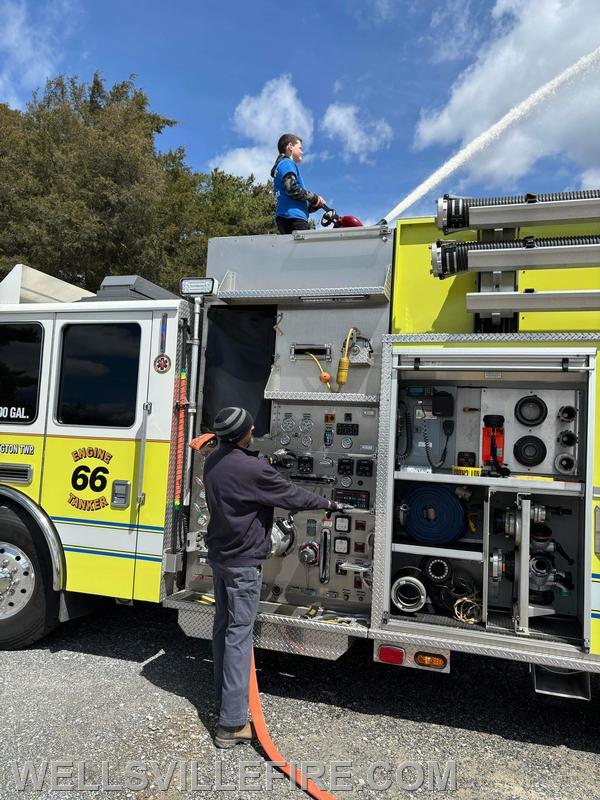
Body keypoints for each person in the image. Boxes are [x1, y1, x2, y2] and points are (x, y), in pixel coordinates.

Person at [203, 406, 344, 748]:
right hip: (243, 564)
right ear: (244, 434)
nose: (254, 427)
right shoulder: (252, 469)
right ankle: (232, 723)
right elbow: (291, 494)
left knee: (223, 628)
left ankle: (224, 698)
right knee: (240, 636)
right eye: (251, 425)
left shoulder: (212, 461)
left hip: (220, 557)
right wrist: (330, 505)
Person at [270, 133, 326, 234]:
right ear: (290, 147)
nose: (302, 152)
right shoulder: (287, 163)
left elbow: (297, 201)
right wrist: (314, 197)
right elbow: (291, 188)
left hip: (288, 216)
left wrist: (316, 205)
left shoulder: (281, 165)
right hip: (294, 218)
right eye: (300, 148)